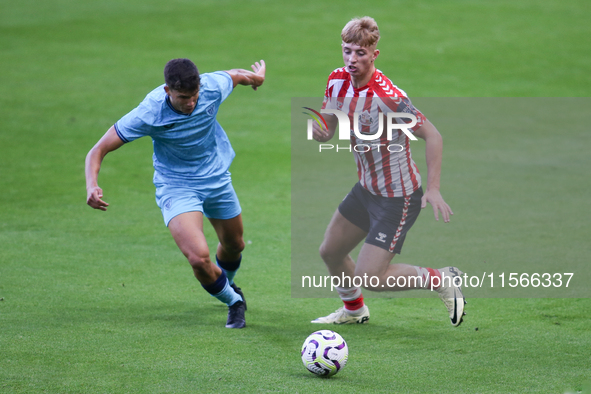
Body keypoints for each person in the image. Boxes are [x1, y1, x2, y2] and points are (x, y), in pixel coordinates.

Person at [85, 58, 266, 329]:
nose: (191, 103)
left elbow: (237, 75)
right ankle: (233, 301)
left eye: (194, 96)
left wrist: (256, 79)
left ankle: (225, 281)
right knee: (198, 257)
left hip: (216, 177)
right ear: (168, 90)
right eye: (183, 97)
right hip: (177, 186)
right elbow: (97, 150)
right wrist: (91, 184)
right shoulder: (149, 112)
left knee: (235, 244)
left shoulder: (211, 87)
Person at [310, 17, 466, 327]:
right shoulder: (337, 80)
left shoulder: (389, 97)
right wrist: (322, 132)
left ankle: (440, 279)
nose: (352, 60)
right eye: (347, 51)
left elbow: (433, 135)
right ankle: (354, 311)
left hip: (398, 197)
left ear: (374, 54)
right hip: (366, 189)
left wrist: (433, 188)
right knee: (330, 251)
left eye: (360, 53)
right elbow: (331, 122)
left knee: (371, 277)